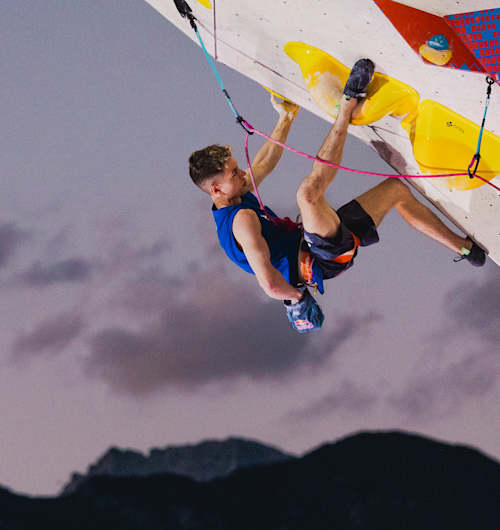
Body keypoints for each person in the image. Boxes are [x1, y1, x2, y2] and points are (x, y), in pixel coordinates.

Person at [188, 59, 486, 333]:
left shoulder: (235, 195)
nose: (243, 174)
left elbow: (264, 163)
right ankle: (348, 105)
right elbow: (268, 282)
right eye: (234, 172)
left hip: (316, 240)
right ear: (215, 189)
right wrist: (296, 300)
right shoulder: (241, 220)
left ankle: (464, 249)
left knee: (395, 190)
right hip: (317, 259)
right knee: (307, 195)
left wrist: (286, 117)